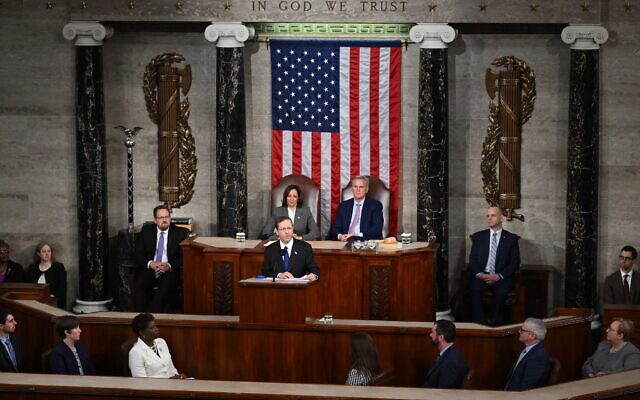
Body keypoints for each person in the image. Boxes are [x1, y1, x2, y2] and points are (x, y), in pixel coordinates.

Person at [468, 206, 520, 326]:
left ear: (501, 218)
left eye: (493, 215)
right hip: (482, 275)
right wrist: (480, 274)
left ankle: (492, 321)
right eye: (488, 216)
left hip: (500, 277)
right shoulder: (479, 237)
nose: (489, 218)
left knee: (502, 291)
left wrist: (498, 276)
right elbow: (473, 259)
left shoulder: (511, 239)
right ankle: (479, 324)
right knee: (474, 289)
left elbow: (514, 263)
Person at [135, 205, 189, 312]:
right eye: (161, 217)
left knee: (166, 284)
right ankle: (140, 315)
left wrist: (169, 265)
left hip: (169, 270)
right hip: (150, 268)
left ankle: (152, 314)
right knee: (140, 283)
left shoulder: (180, 233)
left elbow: (183, 256)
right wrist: (150, 263)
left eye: (167, 217)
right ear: (155, 220)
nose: (164, 220)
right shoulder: (146, 231)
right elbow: (138, 253)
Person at [128, 313, 186, 378]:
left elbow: (171, 368)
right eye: (152, 328)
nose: (157, 329)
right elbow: (140, 380)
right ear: (141, 332)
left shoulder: (161, 342)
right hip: (157, 384)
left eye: (155, 326)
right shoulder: (135, 352)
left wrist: (179, 377)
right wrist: (169, 379)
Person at [262, 216, 319, 281]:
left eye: (289, 228)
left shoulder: (305, 248)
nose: (287, 232)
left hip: (298, 286)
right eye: (283, 229)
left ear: (292, 229)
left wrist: (313, 275)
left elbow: (314, 269)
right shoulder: (270, 249)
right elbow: (265, 272)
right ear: (277, 232)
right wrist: (279, 275)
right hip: (278, 286)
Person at [330, 176, 384, 241]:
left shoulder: (375, 205)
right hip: (345, 242)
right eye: (355, 186)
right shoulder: (344, 206)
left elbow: (377, 229)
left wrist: (356, 235)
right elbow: (335, 228)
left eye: (361, 187)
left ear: (366, 190)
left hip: (366, 242)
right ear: (352, 189)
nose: (358, 190)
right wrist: (340, 236)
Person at [504, 318, 551, 391]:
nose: (519, 331)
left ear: (532, 336)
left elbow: (527, 387)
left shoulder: (538, 357)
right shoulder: (528, 349)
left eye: (522, 330)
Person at [422, 320, 469, 389]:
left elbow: (444, 391)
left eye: (433, 333)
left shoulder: (450, 362)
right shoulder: (450, 352)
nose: (430, 335)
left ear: (441, 337)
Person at [25, 242, 67, 309]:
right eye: (44, 251)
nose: (47, 254)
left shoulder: (58, 267)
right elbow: (28, 287)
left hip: (53, 304)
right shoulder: (32, 268)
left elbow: (62, 288)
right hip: (34, 303)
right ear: (38, 253)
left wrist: (52, 297)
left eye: (49, 251)